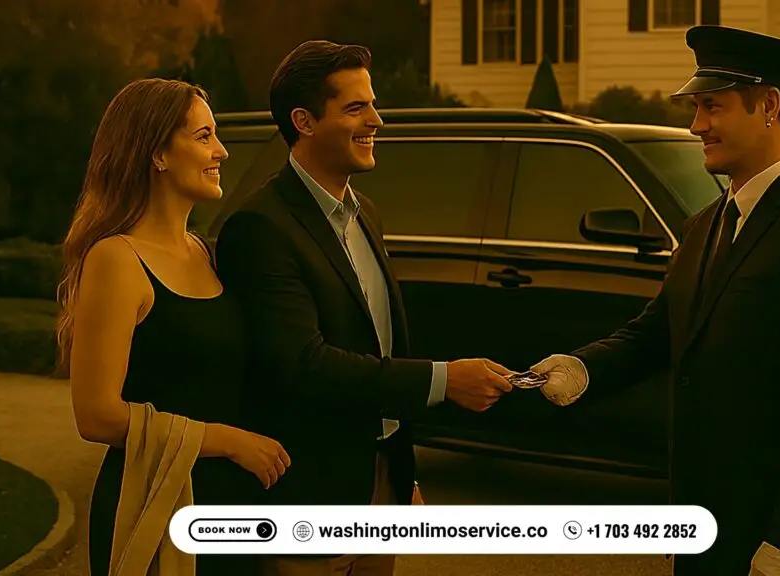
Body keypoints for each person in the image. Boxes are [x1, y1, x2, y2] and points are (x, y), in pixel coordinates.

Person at [529, 26, 780, 576]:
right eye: (696, 108)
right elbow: (655, 335)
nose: (697, 126)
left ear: (768, 105)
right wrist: (580, 369)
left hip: (774, 543)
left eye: (712, 107)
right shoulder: (705, 226)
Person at [213, 40, 514, 576]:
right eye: (355, 108)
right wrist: (445, 381)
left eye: (371, 104)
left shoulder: (366, 213)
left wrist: (400, 479)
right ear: (303, 121)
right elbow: (302, 365)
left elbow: (379, 347)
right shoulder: (259, 227)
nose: (376, 120)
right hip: (310, 500)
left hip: (382, 486)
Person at [59, 78, 291, 576]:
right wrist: (228, 441)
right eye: (204, 136)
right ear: (157, 153)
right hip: (154, 506)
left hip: (234, 510)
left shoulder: (206, 253)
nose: (222, 151)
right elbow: (95, 415)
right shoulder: (117, 260)